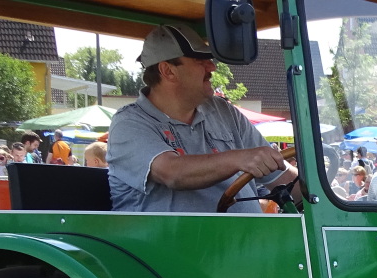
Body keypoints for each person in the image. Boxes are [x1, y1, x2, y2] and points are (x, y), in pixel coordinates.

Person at [108, 23, 294, 213]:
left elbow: (282, 176)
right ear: (168, 71)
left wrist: (311, 188)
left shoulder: (224, 112)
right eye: (200, 60)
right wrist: (239, 158)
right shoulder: (129, 123)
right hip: (167, 234)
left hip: (250, 232)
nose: (212, 67)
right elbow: (172, 173)